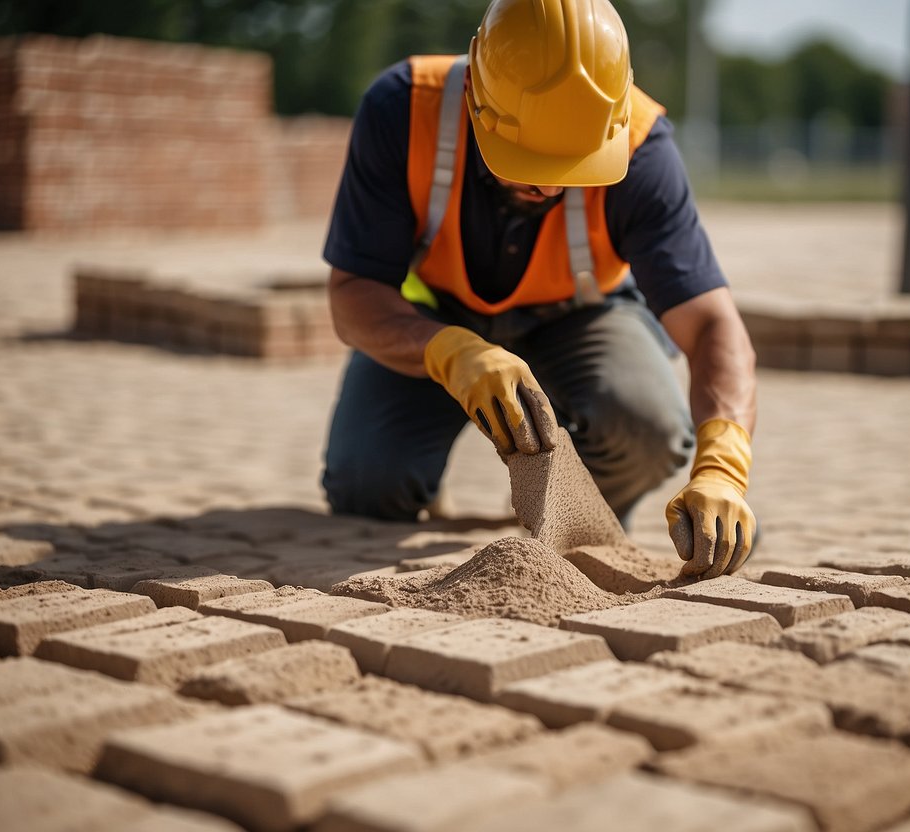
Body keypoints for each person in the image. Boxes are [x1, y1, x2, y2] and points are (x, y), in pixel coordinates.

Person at [321, 0, 758, 578]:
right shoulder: (401, 109)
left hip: (579, 318)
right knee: (366, 482)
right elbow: (353, 295)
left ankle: (579, 515)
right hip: (440, 321)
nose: (550, 186)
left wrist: (724, 466)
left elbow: (713, 326)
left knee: (648, 426)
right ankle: (423, 470)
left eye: (573, 162)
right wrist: (452, 353)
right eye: (527, 161)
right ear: (478, 93)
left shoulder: (644, 147)